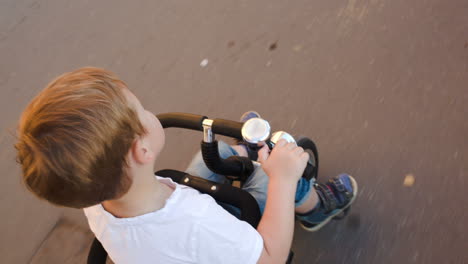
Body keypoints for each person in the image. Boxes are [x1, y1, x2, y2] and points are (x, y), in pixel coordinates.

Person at [15, 67, 357, 264]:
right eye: (143, 110)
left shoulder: (94, 200)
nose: (151, 114)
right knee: (275, 179)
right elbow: (270, 257)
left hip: (163, 228)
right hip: (211, 240)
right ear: (142, 149)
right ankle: (314, 207)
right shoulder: (195, 223)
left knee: (216, 154)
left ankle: (245, 152)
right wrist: (281, 180)